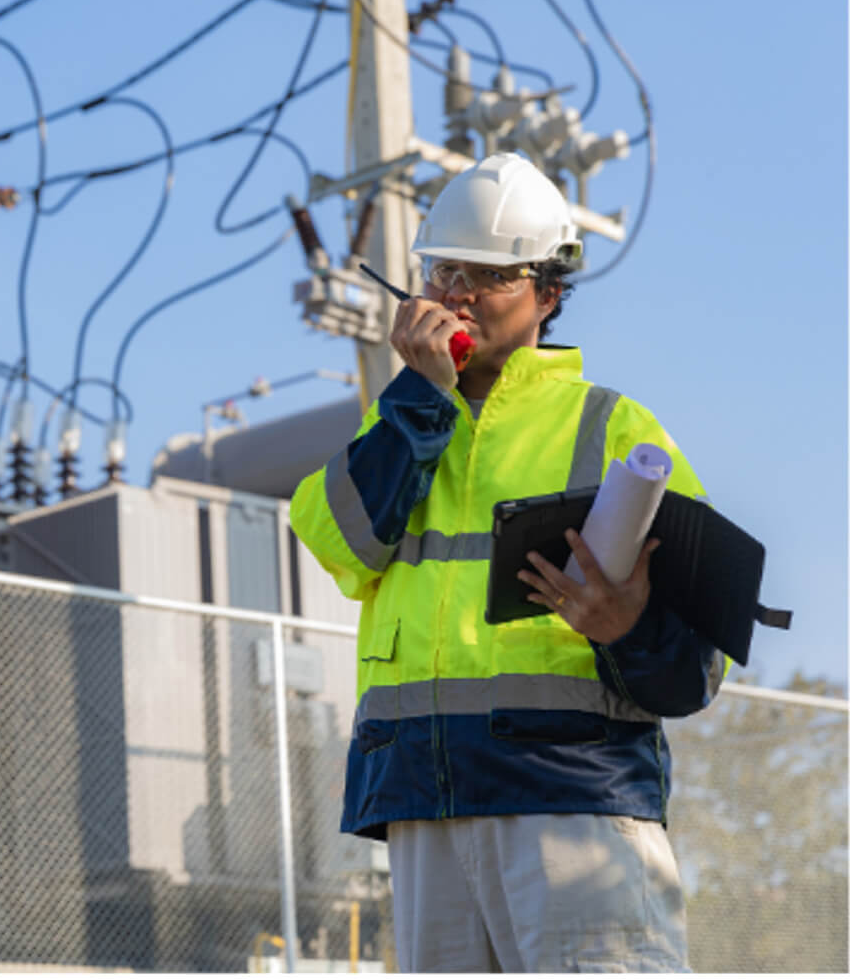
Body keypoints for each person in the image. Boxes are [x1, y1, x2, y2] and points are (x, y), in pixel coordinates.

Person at [290, 152, 727, 973]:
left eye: (486, 276)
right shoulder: (399, 425)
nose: (456, 292)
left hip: (573, 796)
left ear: (547, 295)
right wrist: (421, 401)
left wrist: (626, 627)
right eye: (443, 269)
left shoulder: (613, 427)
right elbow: (338, 541)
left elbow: (699, 661)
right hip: (421, 797)